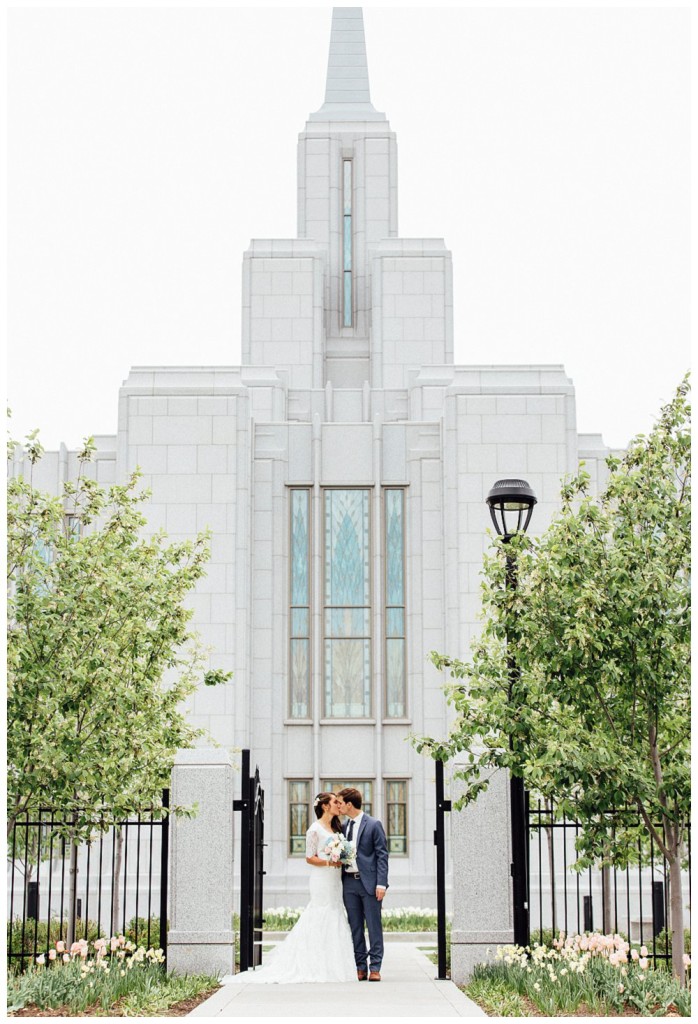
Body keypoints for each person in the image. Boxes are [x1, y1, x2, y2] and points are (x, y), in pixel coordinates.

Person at [233, 792, 357, 983]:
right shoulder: (314, 829)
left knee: (335, 912)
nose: (337, 805)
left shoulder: (335, 828)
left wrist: (341, 857)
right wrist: (329, 863)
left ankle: (334, 963)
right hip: (321, 878)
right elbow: (309, 857)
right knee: (320, 912)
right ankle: (312, 962)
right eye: (334, 802)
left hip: (335, 880)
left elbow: (339, 852)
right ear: (324, 806)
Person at [336, 787, 389, 982]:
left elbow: (382, 855)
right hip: (349, 883)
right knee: (355, 927)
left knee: (374, 926)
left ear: (349, 804)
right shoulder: (343, 827)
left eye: (340, 803)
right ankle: (360, 966)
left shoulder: (374, 824)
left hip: (370, 884)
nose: (339, 806)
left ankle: (375, 967)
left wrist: (381, 884)